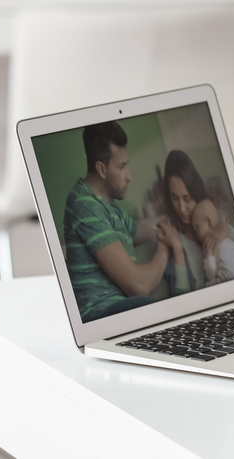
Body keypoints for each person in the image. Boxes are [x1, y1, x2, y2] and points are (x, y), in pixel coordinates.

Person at [63, 121, 179, 320]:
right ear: (102, 169)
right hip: (102, 315)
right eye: (122, 167)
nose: (129, 177)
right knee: (171, 314)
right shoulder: (84, 205)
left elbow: (142, 231)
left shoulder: (109, 205)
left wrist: (170, 228)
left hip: (122, 309)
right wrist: (164, 249)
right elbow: (139, 286)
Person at [161, 149, 234, 292]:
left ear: (196, 192)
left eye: (187, 198)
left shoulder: (215, 218)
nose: (182, 209)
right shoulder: (173, 236)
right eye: (174, 198)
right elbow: (180, 295)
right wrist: (177, 248)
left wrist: (226, 229)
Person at [190, 198, 234, 286]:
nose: (196, 235)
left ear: (209, 222)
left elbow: (211, 275)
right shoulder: (227, 239)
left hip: (229, 277)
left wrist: (208, 257)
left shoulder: (210, 245)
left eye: (197, 228)